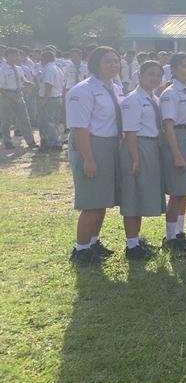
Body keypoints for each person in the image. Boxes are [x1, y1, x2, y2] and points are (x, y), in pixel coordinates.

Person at [66, 46, 123, 264]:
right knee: (91, 201)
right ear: (95, 64)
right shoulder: (83, 90)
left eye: (115, 61)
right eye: (107, 61)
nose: (113, 65)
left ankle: (93, 243)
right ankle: (81, 250)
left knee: (102, 199)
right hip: (90, 146)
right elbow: (80, 128)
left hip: (109, 146)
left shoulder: (114, 88)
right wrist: (89, 159)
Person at [117, 60, 165, 260]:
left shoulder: (154, 98)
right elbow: (130, 132)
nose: (154, 78)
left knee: (142, 194)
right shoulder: (132, 100)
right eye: (150, 74)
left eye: (158, 75)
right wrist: (135, 159)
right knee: (133, 196)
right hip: (137, 147)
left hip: (151, 147)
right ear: (140, 77)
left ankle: (136, 241)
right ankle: (132, 245)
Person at [159, 53, 186, 252]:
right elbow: (168, 126)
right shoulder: (171, 93)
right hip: (177, 140)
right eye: (185, 66)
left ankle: (179, 232)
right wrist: (176, 154)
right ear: (173, 70)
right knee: (176, 192)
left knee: (183, 191)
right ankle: (170, 237)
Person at [1, 47, 38, 150]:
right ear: (7, 56)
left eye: (17, 55)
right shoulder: (2, 69)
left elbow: (23, 80)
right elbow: (1, 88)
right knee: (6, 121)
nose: (17, 57)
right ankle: (7, 141)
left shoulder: (19, 68)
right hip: (6, 96)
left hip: (18, 94)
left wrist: (29, 84)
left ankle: (30, 142)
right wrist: (11, 98)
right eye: (15, 55)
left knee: (24, 119)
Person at [37, 50, 65, 152]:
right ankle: (53, 141)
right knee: (55, 122)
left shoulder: (49, 68)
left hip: (50, 98)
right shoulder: (58, 68)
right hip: (57, 97)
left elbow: (48, 84)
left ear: (45, 59)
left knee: (47, 122)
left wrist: (45, 99)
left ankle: (55, 144)